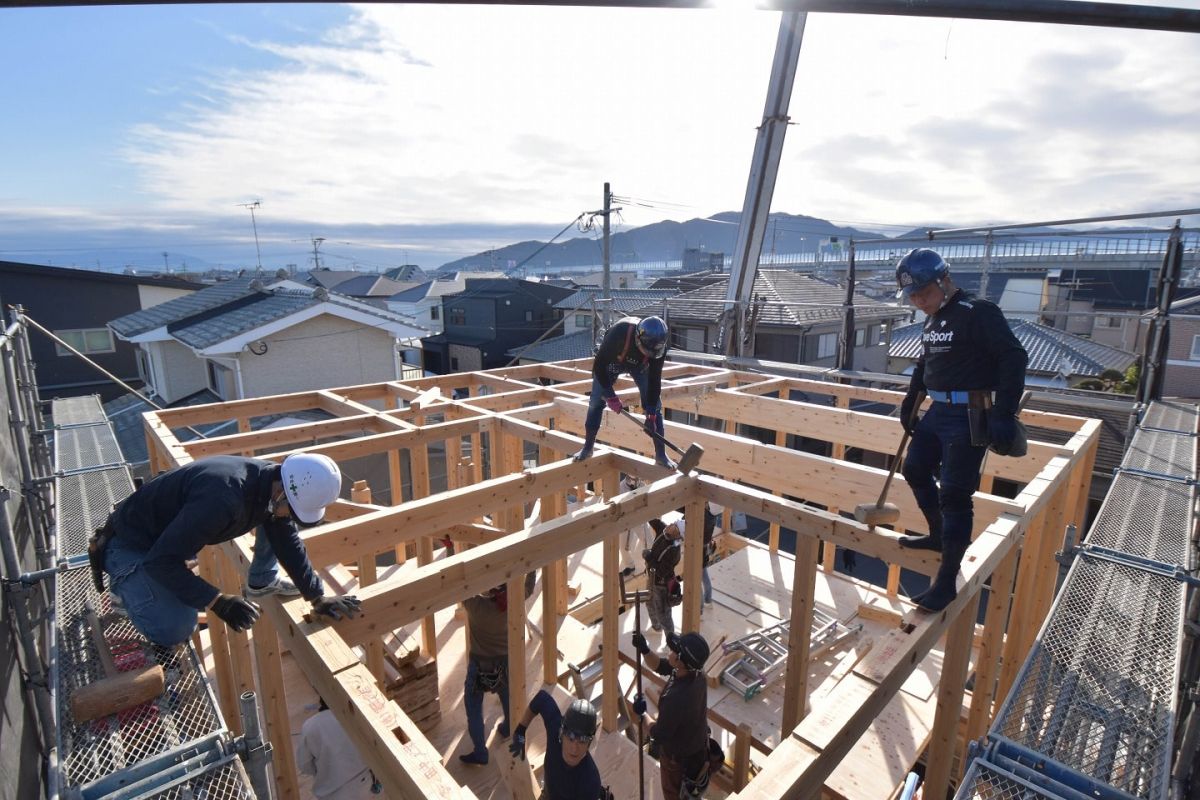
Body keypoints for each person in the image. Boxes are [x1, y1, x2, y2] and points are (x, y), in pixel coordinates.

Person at [93, 453, 362, 646]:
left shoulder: (269, 479)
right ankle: (125, 591)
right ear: (281, 492)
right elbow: (161, 561)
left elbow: (287, 538)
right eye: (292, 508)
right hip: (131, 546)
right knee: (176, 627)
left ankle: (262, 581)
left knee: (277, 523)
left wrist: (317, 596)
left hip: (168, 530)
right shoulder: (222, 500)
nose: (290, 516)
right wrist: (217, 601)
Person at [894, 248, 1028, 612]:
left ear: (944, 281)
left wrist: (1004, 411)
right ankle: (939, 537)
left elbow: (1013, 357)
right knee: (915, 469)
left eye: (923, 292)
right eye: (913, 296)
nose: (918, 301)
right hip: (939, 410)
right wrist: (911, 401)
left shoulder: (978, 313)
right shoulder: (933, 319)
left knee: (954, 494)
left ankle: (946, 581)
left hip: (969, 412)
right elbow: (926, 363)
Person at [573, 315, 673, 468]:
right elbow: (598, 368)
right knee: (595, 402)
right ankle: (588, 447)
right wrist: (610, 396)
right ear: (638, 339)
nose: (648, 354)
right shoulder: (619, 333)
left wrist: (651, 414)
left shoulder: (657, 347)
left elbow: (655, 381)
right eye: (645, 350)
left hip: (640, 367)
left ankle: (661, 454)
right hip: (613, 362)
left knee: (656, 406)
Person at [459, 576, 534, 765]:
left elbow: (458, 583)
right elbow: (529, 587)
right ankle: (509, 727)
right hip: (503, 664)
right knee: (508, 698)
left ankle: (480, 752)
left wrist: (451, 548)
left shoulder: (475, 605)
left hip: (479, 665)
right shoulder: (513, 603)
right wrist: (530, 562)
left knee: (473, 706)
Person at [631, 630, 711, 799]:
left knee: (674, 795)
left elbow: (659, 735)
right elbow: (660, 666)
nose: (670, 651)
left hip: (678, 762)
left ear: (681, 661)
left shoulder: (676, 698)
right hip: (697, 749)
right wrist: (645, 649)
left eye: (675, 650)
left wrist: (643, 714)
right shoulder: (696, 674)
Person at [509, 690, 605, 800]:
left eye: (582, 740)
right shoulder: (555, 729)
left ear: (590, 741)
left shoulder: (590, 782)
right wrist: (520, 731)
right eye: (571, 737)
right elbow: (542, 698)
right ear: (561, 732)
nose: (574, 748)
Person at [297, 698, 380, 799]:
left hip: (331, 793)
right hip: (363, 788)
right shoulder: (359, 718)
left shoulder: (310, 726)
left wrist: (326, 768)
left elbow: (305, 766)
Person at [643, 517, 682, 634]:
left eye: (675, 525)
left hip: (662, 584)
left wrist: (649, 557)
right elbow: (653, 520)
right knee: (649, 603)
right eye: (674, 522)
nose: (671, 523)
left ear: (677, 534)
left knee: (663, 614)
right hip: (651, 578)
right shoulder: (664, 530)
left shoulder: (674, 551)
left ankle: (671, 641)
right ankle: (656, 627)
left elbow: (660, 571)